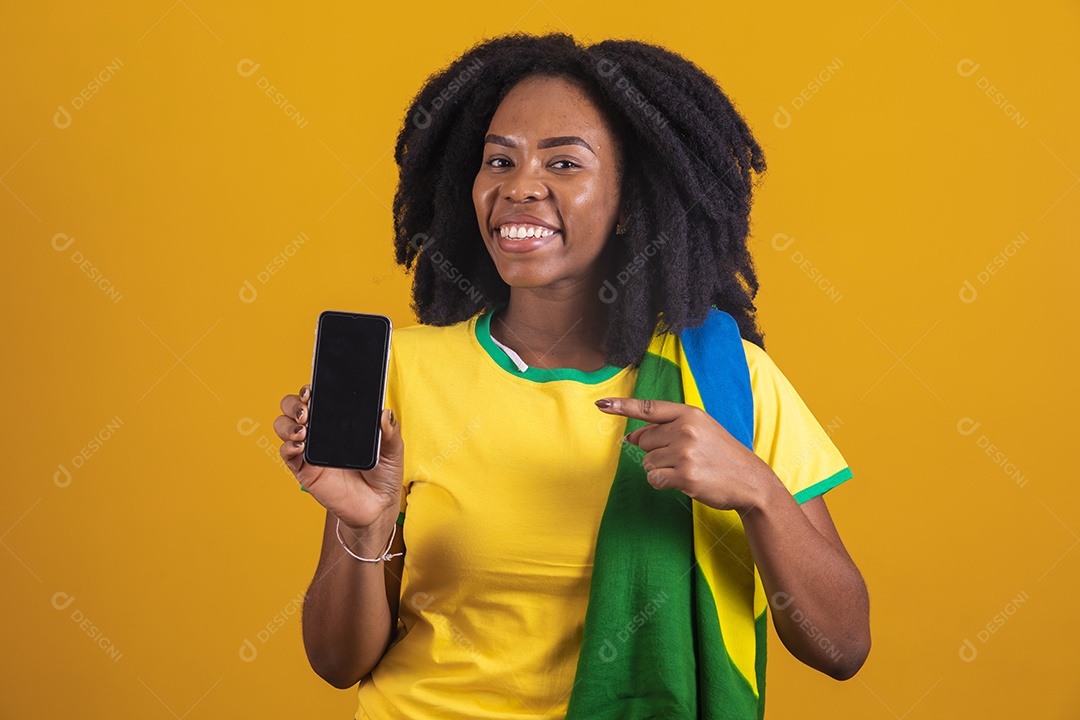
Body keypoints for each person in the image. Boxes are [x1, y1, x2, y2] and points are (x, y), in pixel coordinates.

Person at [275, 32, 870, 720]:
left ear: (630, 205)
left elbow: (842, 645)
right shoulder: (403, 371)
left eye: (564, 163)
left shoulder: (728, 381)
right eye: (499, 159)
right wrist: (366, 525)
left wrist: (757, 491)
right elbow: (337, 662)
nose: (519, 187)